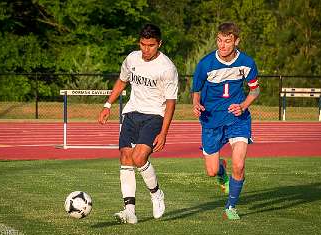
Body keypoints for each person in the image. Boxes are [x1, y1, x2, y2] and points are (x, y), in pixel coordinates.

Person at [98, 23, 178, 224]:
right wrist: (108, 105)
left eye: (151, 45)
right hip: (132, 113)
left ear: (159, 43)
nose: (146, 49)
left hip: (154, 116)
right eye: (143, 44)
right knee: (125, 157)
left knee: (139, 157)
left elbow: (170, 103)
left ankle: (156, 192)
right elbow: (122, 81)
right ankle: (130, 211)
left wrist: (164, 133)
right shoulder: (132, 58)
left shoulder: (167, 68)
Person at [191, 22, 260, 220]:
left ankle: (231, 206)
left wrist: (243, 106)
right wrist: (196, 104)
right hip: (211, 120)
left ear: (236, 41)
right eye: (219, 41)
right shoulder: (205, 64)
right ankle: (221, 171)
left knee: (239, 165)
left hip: (237, 119)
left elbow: (255, 90)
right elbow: (196, 92)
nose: (222, 46)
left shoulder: (247, 62)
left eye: (227, 41)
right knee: (212, 172)